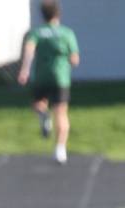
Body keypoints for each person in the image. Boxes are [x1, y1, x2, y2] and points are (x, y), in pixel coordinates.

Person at [17, 0, 80, 165]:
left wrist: (25, 70)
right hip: (60, 78)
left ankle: (44, 115)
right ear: (58, 13)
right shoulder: (66, 33)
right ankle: (60, 149)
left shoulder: (37, 32)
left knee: (38, 104)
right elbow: (74, 59)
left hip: (41, 77)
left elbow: (29, 50)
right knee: (61, 113)